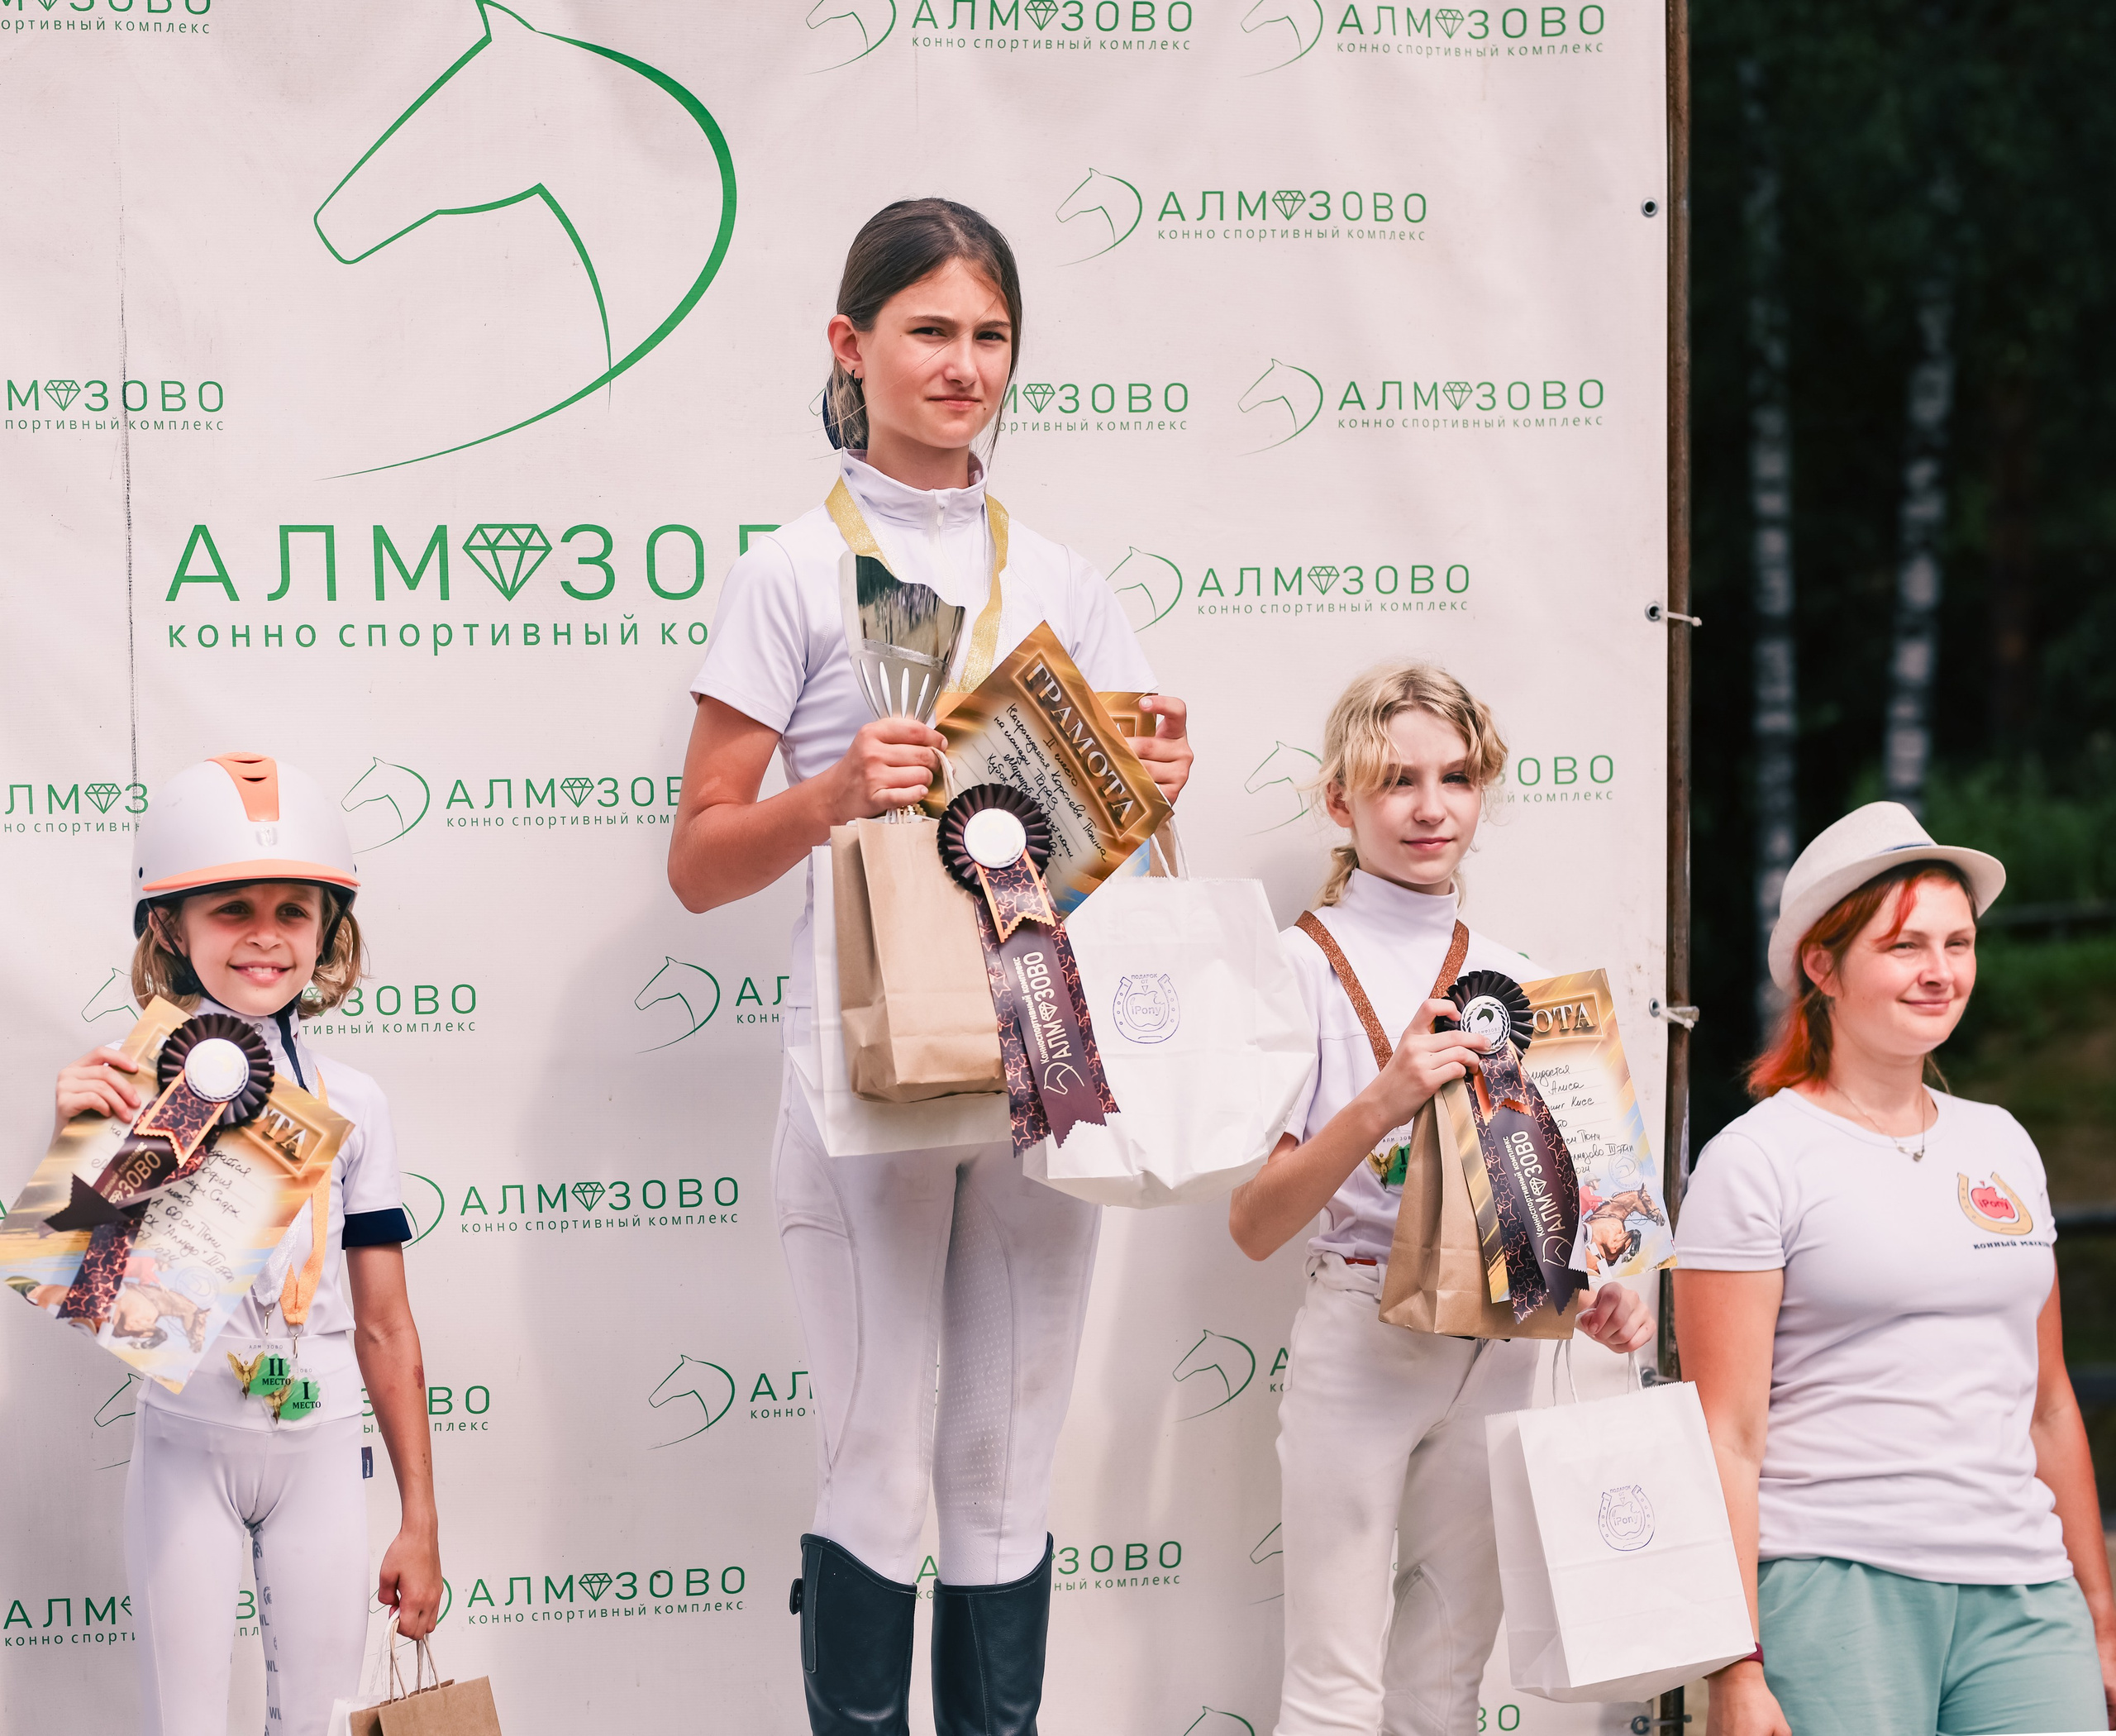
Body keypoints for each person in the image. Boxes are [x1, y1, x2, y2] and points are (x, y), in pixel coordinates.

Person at [665, 198, 1192, 1736]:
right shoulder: (786, 573)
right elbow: (699, 860)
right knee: (880, 1453)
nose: (961, 367)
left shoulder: (1073, 582)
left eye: (988, 337)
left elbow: (1123, 834)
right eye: (928, 332)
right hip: (864, 1077)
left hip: (1041, 1061)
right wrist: (833, 797)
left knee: (1007, 1454)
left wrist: (1158, 764)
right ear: (852, 344)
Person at [1227, 662, 1653, 1736]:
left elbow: (1586, 1220)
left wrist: (1605, 1286)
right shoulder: (1296, 968)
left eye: (1456, 778)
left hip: (1503, 1342)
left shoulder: (1522, 978)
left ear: (1483, 791)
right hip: (1360, 1333)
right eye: (1397, 780)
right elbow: (1256, 1223)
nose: (1430, 808)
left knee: (1445, 1691)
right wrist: (1383, 1099)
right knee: (1331, 1692)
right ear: (1341, 801)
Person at [1675, 801, 2116, 1736]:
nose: (1939, 972)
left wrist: (2101, 1616)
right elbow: (1726, 1437)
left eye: (1957, 944)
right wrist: (1736, 1666)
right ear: (1822, 966)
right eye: (1905, 945)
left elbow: (2045, 1402)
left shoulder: (2001, 1143)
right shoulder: (1755, 1159)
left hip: (2025, 1593)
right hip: (1834, 1586)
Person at [48, 753, 441, 1736]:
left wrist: (421, 1519)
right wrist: (79, 1155)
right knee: (183, 1723)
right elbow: (91, 1291)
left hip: (318, 1450)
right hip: (188, 1445)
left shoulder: (356, 1103)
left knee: (318, 1722)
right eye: (231, 910)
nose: (265, 937)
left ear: (327, 932)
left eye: (292, 911)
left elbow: (387, 1327)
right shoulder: (133, 1082)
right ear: (171, 929)